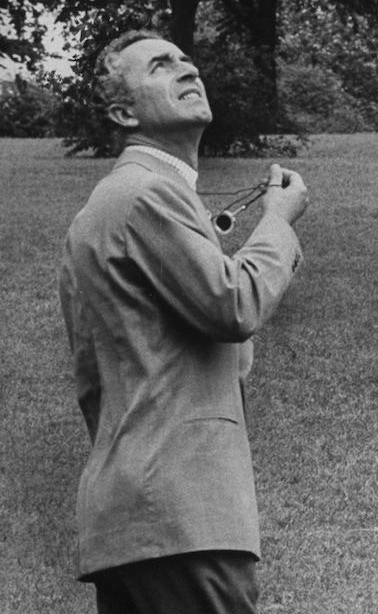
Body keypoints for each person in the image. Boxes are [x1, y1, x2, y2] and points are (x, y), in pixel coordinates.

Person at [60, 30, 309, 613]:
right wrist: (279, 221)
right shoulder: (148, 193)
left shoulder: (99, 210)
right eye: (160, 65)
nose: (186, 68)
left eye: (186, 58)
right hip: (182, 514)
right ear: (123, 112)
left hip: (126, 520)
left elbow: (91, 381)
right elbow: (235, 306)